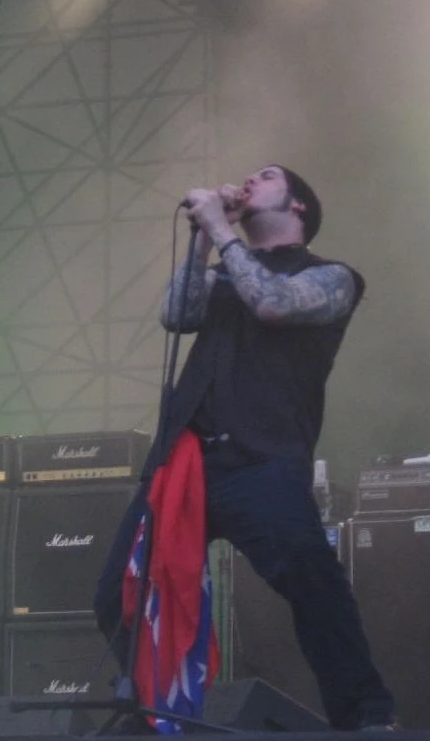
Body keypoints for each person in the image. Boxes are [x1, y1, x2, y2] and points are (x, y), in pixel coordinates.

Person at [94, 164, 395, 731]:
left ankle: (365, 714)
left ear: (298, 205)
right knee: (117, 592)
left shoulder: (332, 276)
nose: (250, 180)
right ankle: (157, 713)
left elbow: (274, 304)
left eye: (267, 176)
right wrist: (203, 239)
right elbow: (176, 315)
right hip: (185, 458)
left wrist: (223, 231)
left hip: (260, 460)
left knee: (309, 579)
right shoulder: (224, 273)